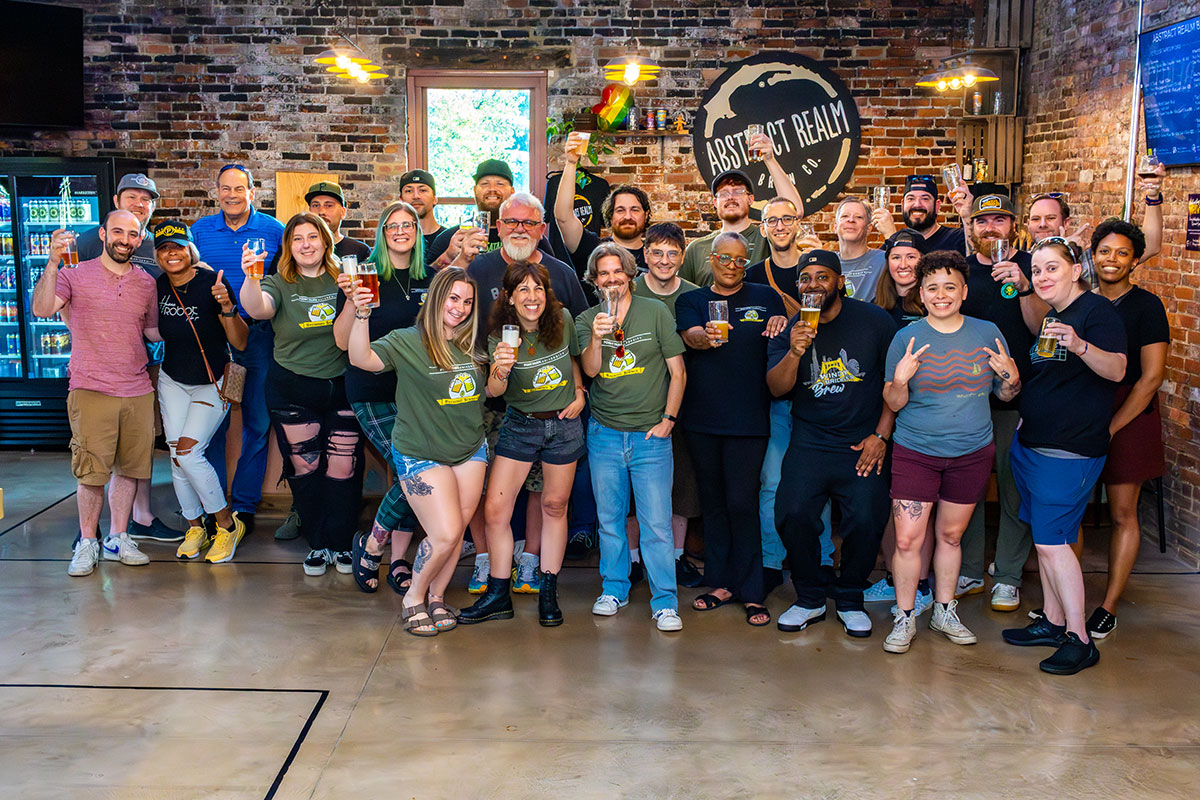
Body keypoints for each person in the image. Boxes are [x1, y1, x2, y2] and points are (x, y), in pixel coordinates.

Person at [880, 250, 1021, 654]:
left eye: (949, 287)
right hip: (916, 450)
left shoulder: (987, 332)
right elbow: (893, 403)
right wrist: (900, 381)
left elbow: (1006, 394)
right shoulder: (906, 338)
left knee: (951, 536)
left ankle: (944, 611)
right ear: (921, 294)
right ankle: (905, 615)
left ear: (964, 292)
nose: (941, 295)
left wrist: (1011, 378)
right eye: (932, 288)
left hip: (971, 451)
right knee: (908, 540)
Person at [1001, 238, 1127, 675]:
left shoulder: (1096, 312)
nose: (1042, 277)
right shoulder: (1055, 314)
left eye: (1052, 268)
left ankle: (1080, 638)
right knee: (1045, 539)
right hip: (1033, 444)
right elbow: (1052, 380)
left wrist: (1080, 345)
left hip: (1069, 451)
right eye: (1036, 270)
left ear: (1076, 271)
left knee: (1052, 544)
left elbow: (1118, 369)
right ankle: (1054, 623)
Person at [346, 267, 490, 637]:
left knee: (455, 533)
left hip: (470, 449)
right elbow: (361, 358)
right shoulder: (407, 340)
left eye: (467, 302)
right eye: (453, 298)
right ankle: (414, 597)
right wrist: (361, 314)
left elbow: (489, 392)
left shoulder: (473, 344)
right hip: (421, 451)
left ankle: (437, 596)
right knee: (446, 533)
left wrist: (502, 373)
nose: (460, 308)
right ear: (437, 298)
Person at [767, 249, 895, 638]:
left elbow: (895, 384)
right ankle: (809, 597)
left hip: (862, 443)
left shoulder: (874, 321)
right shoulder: (793, 326)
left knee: (867, 519)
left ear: (840, 282)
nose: (814, 285)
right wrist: (795, 351)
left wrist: (880, 436)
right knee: (791, 513)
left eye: (823, 277)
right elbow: (776, 388)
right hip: (811, 442)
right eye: (806, 279)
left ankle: (851, 598)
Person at [31, 211, 160, 576]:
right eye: (117, 231)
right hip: (91, 387)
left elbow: (153, 333)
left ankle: (118, 537)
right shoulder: (73, 273)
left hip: (137, 388)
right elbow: (41, 308)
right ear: (103, 234)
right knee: (90, 473)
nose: (125, 240)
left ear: (139, 240)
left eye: (132, 234)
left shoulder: (146, 283)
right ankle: (88, 541)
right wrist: (52, 262)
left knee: (130, 469)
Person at [459, 262, 587, 626]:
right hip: (520, 424)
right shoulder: (499, 336)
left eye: (538, 289)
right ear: (510, 297)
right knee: (496, 510)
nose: (532, 297)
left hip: (563, 424)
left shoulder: (562, 320)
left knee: (554, 506)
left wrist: (580, 391)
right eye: (523, 290)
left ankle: (548, 591)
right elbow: (493, 391)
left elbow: (573, 360)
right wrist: (501, 367)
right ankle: (499, 593)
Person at [239, 212, 364, 577]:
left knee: (343, 467)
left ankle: (342, 543)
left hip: (342, 386)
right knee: (305, 466)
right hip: (292, 388)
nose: (306, 244)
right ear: (288, 247)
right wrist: (250, 277)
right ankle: (318, 542)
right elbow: (257, 307)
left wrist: (353, 296)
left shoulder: (345, 277)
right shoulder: (279, 282)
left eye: (312, 237)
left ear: (326, 241)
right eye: (297, 239)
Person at [676, 232, 786, 626]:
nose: (733, 266)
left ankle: (752, 591)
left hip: (750, 418)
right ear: (711, 258)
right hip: (702, 419)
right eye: (725, 258)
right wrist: (705, 337)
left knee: (742, 502)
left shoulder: (766, 297)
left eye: (740, 260)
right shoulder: (691, 300)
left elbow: (783, 336)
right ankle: (720, 583)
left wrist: (782, 321)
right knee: (714, 503)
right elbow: (690, 336)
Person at [577, 244, 687, 631]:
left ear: (629, 275)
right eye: (603, 274)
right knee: (610, 521)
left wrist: (668, 420)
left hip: (649, 436)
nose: (611, 279)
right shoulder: (587, 319)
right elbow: (591, 371)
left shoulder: (655, 312)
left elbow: (678, 372)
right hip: (604, 434)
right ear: (594, 281)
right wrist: (595, 338)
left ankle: (665, 601)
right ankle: (614, 589)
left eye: (617, 272)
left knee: (656, 523)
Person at [72, 173, 181, 544]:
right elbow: (67, 296)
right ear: (117, 201)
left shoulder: (157, 243)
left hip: (148, 359)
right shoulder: (89, 240)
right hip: (98, 366)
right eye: (132, 196)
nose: (139, 204)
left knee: (139, 444)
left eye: (146, 199)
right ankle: (89, 531)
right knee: (96, 450)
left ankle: (140, 517)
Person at [334, 201, 431, 594]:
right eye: (393, 225)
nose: (401, 231)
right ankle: (373, 545)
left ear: (418, 232)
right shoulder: (363, 275)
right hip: (372, 390)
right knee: (414, 471)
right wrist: (354, 303)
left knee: (413, 472)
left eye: (408, 224)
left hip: (418, 393)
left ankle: (399, 560)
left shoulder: (431, 277)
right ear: (382, 233)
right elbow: (342, 342)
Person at [958, 194, 1048, 612]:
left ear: (1013, 225)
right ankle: (970, 570)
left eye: (999, 219)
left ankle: (1008, 576)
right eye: (982, 221)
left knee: (1015, 492)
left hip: (1019, 401)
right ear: (972, 227)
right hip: (968, 400)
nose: (990, 227)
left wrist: (1025, 285)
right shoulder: (961, 272)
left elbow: (1042, 328)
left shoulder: (1033, 266)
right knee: (967, 491)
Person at [193, 164, 286, 537]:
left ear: (252, 192)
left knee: (257, 424)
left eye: (239, 188)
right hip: (213, 335)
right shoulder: (200, 231)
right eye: (225, 188)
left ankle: (244, 507)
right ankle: (212, 506)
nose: (231, 195)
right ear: (216, 192)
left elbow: (286, 281)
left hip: (259, 335)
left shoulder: (274, 231)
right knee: (211, 427)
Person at [150, 222, 250, 562]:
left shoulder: (212, 283)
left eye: (178, 246)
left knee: (189, 454)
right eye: (164, 248)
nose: (171, 253)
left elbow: (240, 342)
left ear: (190, 250)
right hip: (172, 380)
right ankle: (195, 527)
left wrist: (227, 305)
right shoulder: (158, 285)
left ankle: (227, 526)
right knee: (176, 456)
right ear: (157, 255)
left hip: (212, 382)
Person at [1088, 218, 1169, 638]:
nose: (1112, 259)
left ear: (1135, 260)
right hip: (1085, 409)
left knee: (1122, 513)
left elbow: (1151, 378)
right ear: (1093, 255)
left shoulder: (1147, 306)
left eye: (1122, 253)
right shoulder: (1082, 301)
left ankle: (1108, 606)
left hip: (1130, 413)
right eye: (1105, 251)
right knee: (1070, 511)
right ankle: (1065, 601)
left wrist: (1113, 426)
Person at [745, 196, 826, 592]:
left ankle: (820, 560)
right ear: (762, 228)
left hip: (821, 400)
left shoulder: (818, 271)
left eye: (787, 218)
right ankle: (770, 561)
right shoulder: (753, 275)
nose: (780, 226)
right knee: (772, 482)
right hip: (776, 399)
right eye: (772, 220)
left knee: (820, 486)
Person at [631, 221, 702, 586]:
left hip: (682, 402)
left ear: (682, 256)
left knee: (682, 482)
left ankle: (674, 558)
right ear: (645, 254)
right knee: (631, 489)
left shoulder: (695, 295)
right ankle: (633, 559)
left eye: (672, 253)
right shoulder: (629, 291)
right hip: (635, 399)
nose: (664, 260)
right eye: (656, 252)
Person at [680, 134, 805, 287]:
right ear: (715, 202)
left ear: (750, 199)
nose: (731, 197)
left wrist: (769, 159)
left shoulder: (765, 236)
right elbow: (684, 294)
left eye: (738, 191)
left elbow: (794, 210)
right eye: (724, 193)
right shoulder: (696, 249)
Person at [555, 130, 651, 275]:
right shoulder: (593, 248)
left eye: (635, 210)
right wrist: (571, 163)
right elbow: (563, 217)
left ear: (646, 215)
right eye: (620, 210)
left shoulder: (655, 257)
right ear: (610, 216)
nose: (628, 216)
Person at [427, 159, 516, 268]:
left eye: (500, 184)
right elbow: (428, 277)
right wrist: (449, 256)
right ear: (475, 190)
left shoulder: (523, 234)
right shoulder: (451, 238)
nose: (492, 189)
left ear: (512, 191)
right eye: (485, 184)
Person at [875, 175, 967, 255]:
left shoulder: (958, 238)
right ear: (902, 205)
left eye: (925, 199)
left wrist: (891, 236)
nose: (917, 205)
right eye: (911, 199)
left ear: (937, 206)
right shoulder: (890, 245)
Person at [834, 197, 887, 301]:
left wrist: (890, 233)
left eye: (859, 217)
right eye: (845, 216)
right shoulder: (828, 263)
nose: (851, 220)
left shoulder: (882, 260)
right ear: (835, 227)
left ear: (868, 229)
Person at [873, 229, 926, 329]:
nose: (903, 265)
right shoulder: (875, 306)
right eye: (896, 257)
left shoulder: (932, 303)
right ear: (888, 262)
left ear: (922, 261)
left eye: (911, 257)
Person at [306, 180, 370, 261]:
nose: (321, 211)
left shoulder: (360, 251)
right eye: (315, 205)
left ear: (343, 212)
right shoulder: (301, 250)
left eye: (328, 205)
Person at [398, 169, 446, 254]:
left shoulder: (449, 238)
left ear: (434, 199)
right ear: (400, 200)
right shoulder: (396, 240)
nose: (416, 196)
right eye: (409, 191)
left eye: (423, 190)